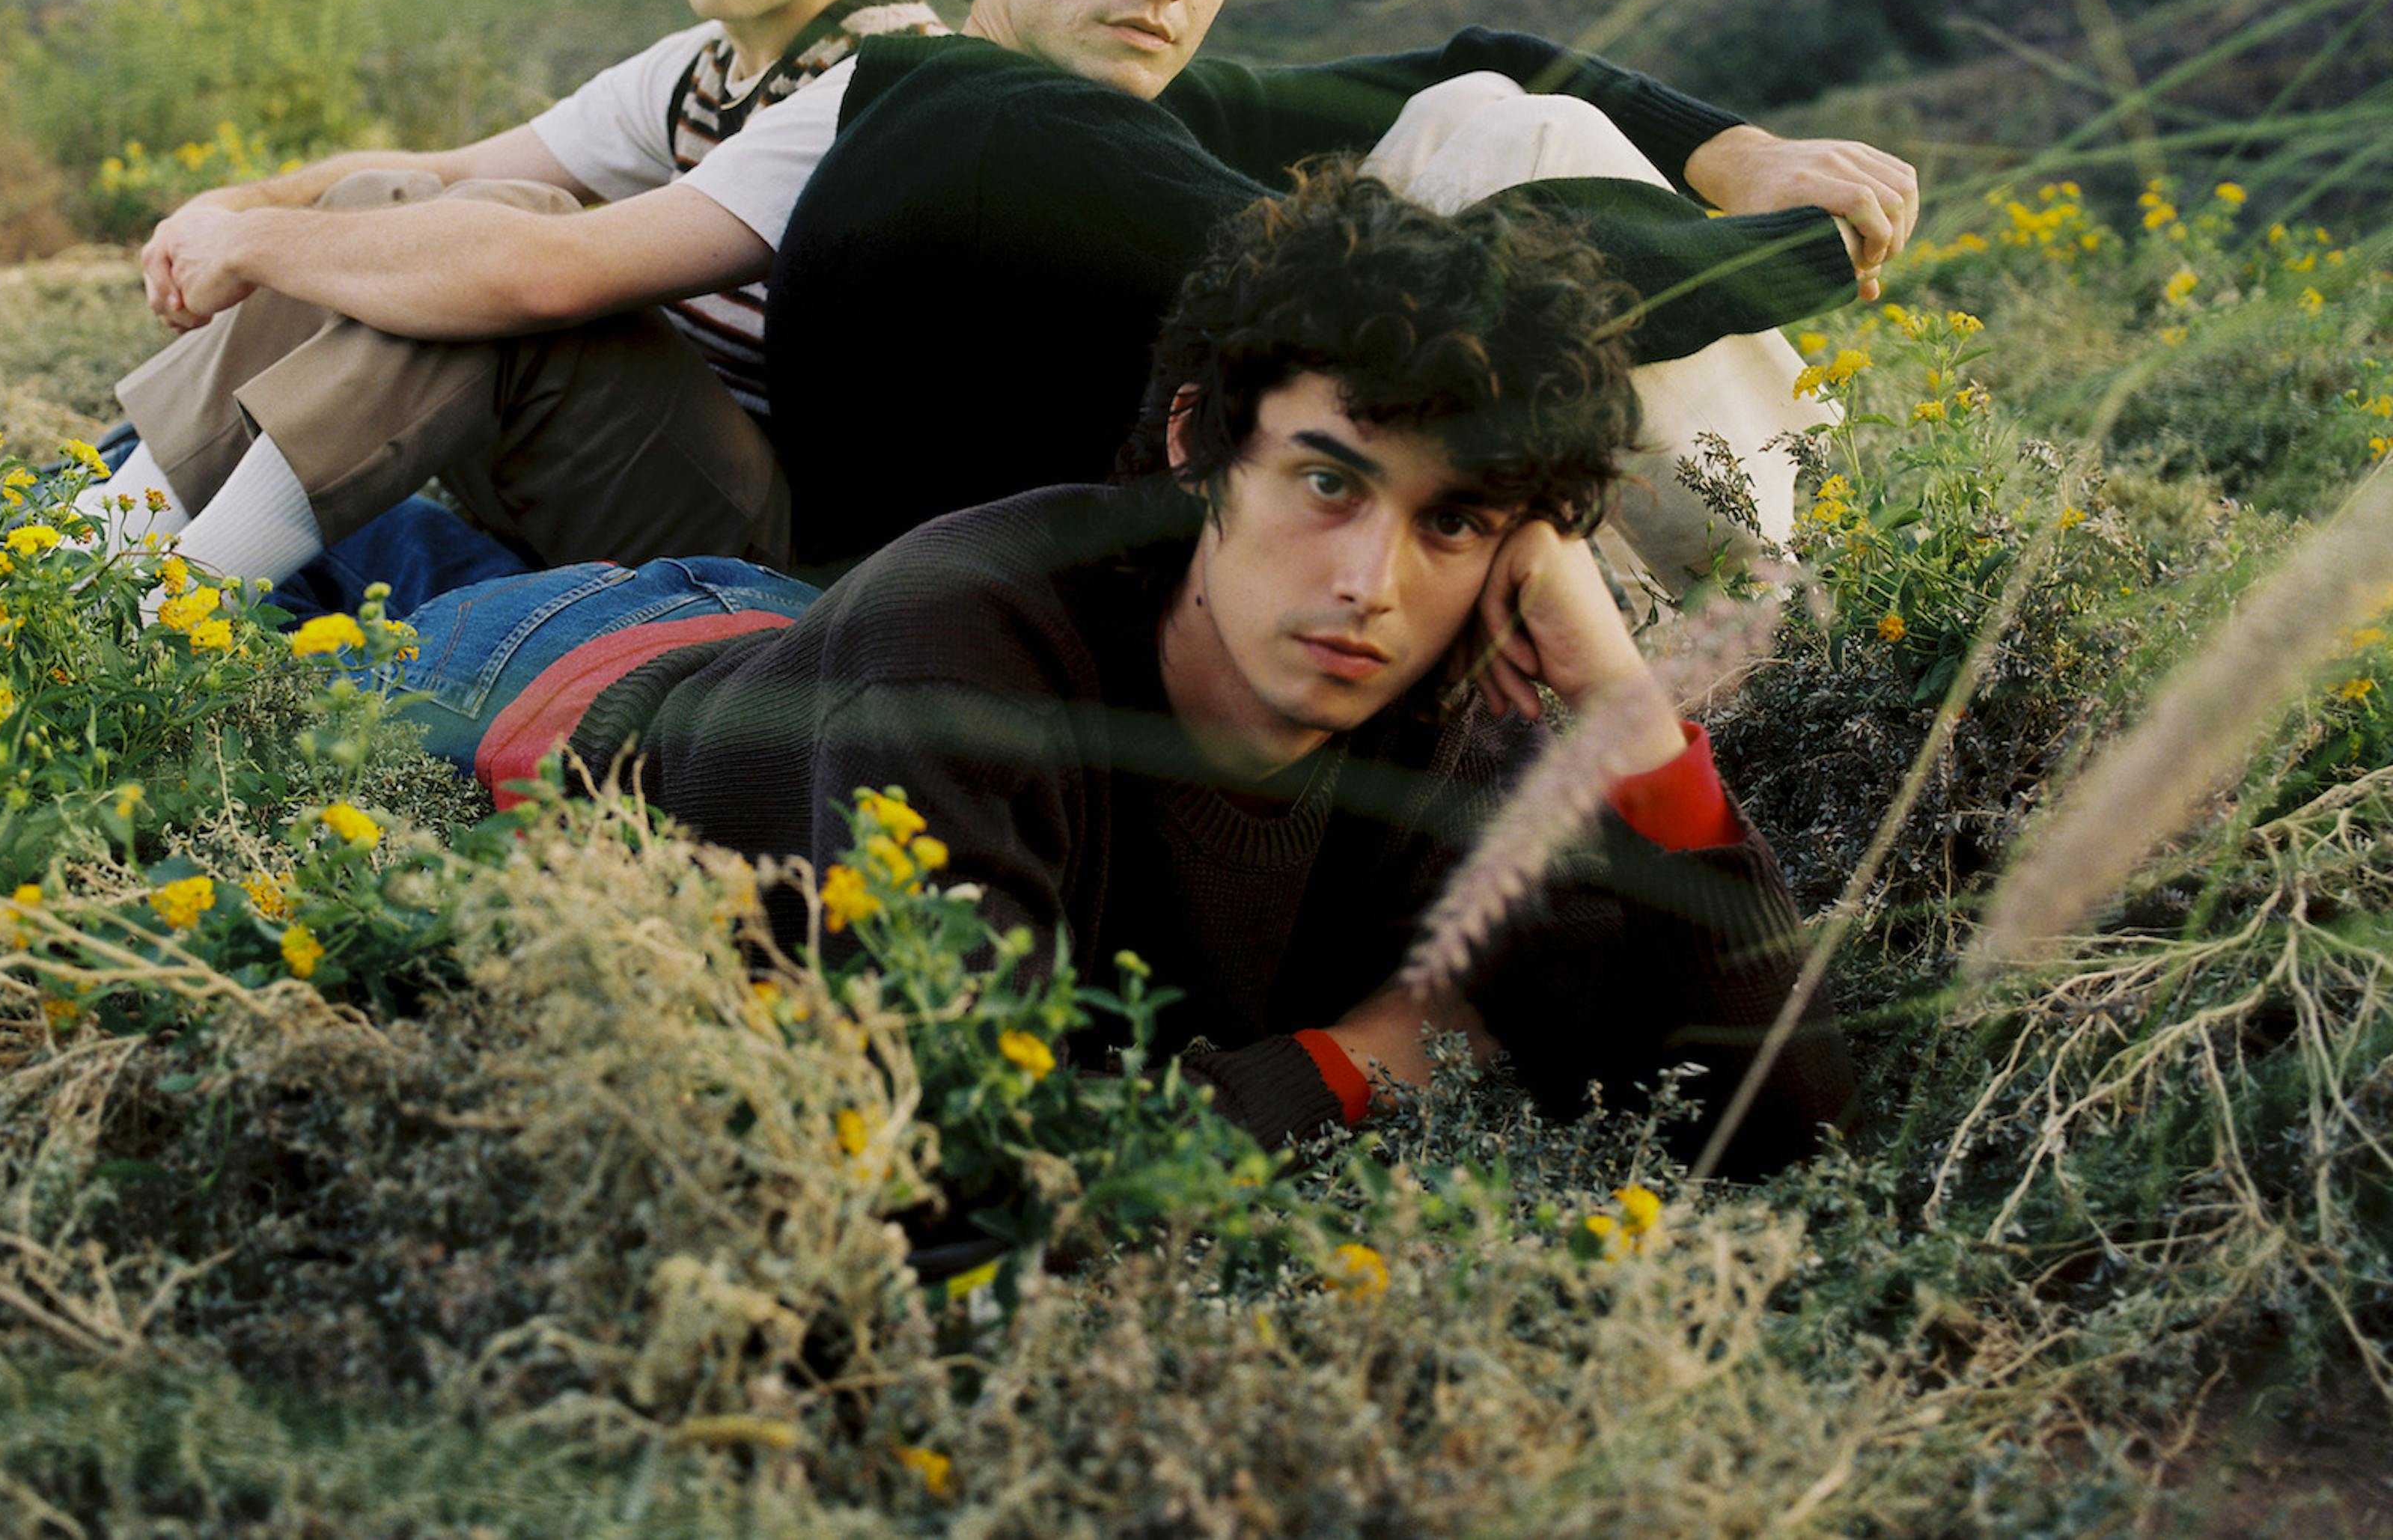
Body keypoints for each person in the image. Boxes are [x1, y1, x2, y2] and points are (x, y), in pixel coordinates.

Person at [382, 168, 1856, 1177]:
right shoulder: (967, 656)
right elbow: (962, 1166)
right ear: (1197, 439)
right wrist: (1353, 1059)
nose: (1370, 586)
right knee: (309, 595)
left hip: (801, 646)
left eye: (1454, 518)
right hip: (572, 687)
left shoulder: (1434, 721)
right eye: (1328, 483)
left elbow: (1793, 1126)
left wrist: (1627, 709)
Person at [761, 0, 1921, 578]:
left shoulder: (1043, 92)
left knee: (1491, 112)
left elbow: (1480, 58)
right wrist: (1786, 250)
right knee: (1496, 236)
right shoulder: (1007, 129)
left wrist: (1742, 155)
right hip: (1016, 643)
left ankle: (1794, 594)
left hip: (1122, 568)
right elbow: (1415, 303)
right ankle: (1800, 630)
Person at [82, 0, 939, 589]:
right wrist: (244, 202)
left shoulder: (880, 91)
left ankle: (166, 610)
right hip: (633, 488)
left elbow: (538, 275)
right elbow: (437, 171)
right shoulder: (702, 65)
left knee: (501, 263)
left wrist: (255, 245)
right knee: (391, 205)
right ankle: (81, 551)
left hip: (778, 564)